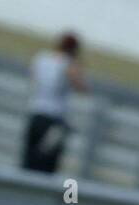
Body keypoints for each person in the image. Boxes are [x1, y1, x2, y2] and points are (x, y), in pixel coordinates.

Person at [22, 32, 87, 174]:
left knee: (28, 162)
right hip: (54, 121)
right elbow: (81, 88)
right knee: (46, 165)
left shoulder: (42, 58)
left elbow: (34, 79)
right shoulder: (68, 64)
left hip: (36, 114)